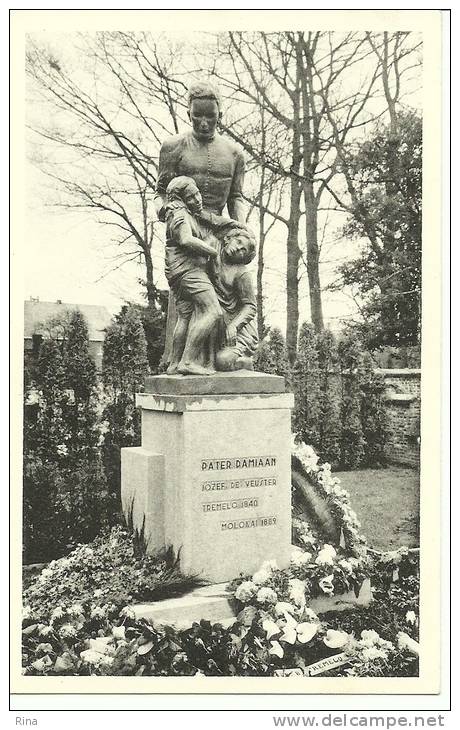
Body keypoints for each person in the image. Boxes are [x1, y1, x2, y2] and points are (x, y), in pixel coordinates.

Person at [153, 80, 249, 371]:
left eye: (211, 116)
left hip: (220, 234)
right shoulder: (173, 147)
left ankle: (215, 363)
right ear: (189, 113)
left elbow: (236, 197)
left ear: (221, 115)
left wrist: (240, 229)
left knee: (224, 301)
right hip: (187, 234)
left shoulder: (235, 154)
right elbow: (160, 192)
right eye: (198, 116)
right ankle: (182, 362)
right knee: (191, 307)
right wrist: (166, 210)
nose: (205, 123)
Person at [163, 175, 258, 373]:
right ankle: (183, 362)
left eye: (244, 251)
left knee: (222, 360)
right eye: (239, 243)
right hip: (188, 279)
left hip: (236, 331)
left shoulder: (241, 274)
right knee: (196, 315)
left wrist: (235, 326)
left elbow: (250, 306)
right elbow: (193, 234)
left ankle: (242, 362)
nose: (239, 249)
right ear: (229, 239)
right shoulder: (211, 246)